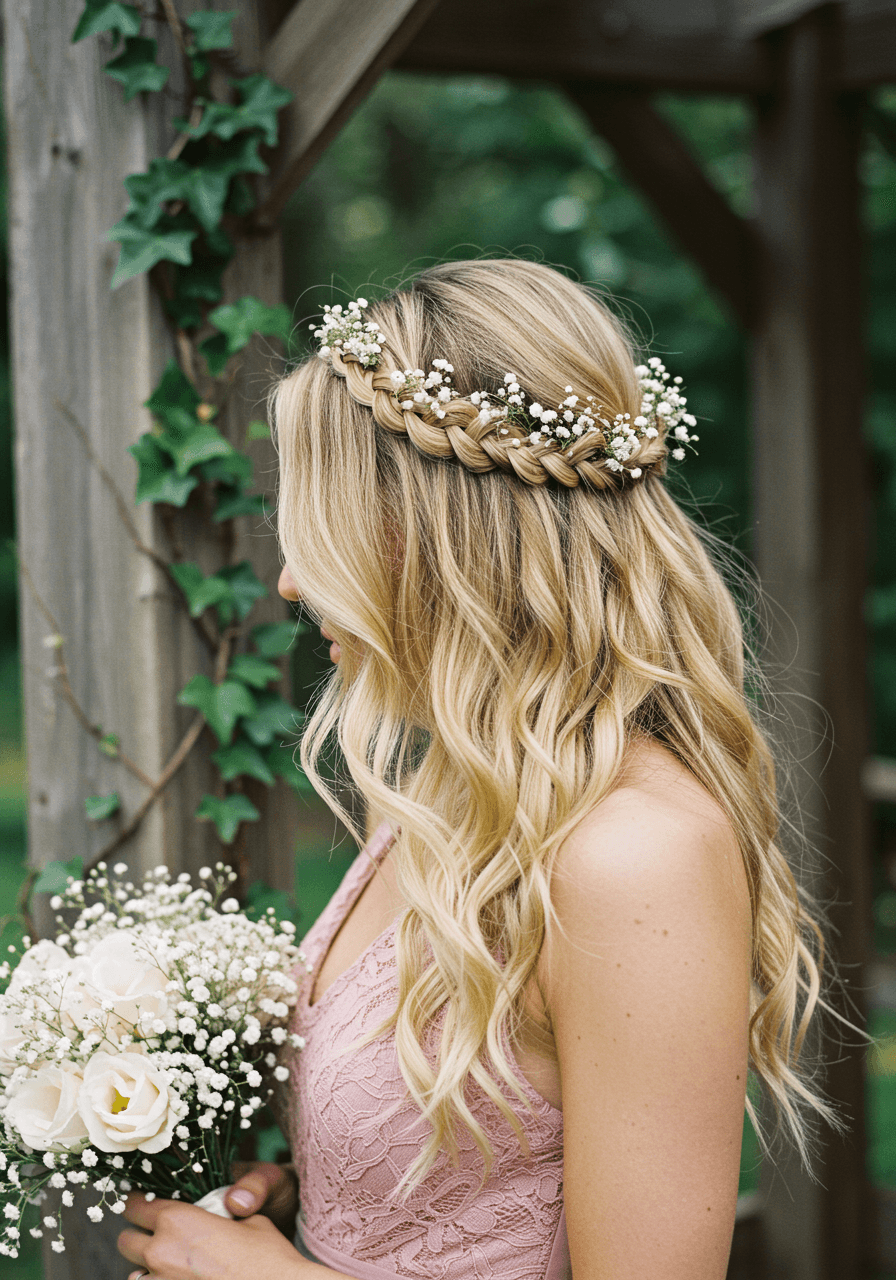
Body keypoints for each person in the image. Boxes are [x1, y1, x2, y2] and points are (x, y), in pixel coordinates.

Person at [117, 259, 838, 1280]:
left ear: (425, 532)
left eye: (314, 525)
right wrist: (324, 1196)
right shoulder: (458, 798)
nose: (286, 578)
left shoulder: (633, 857)